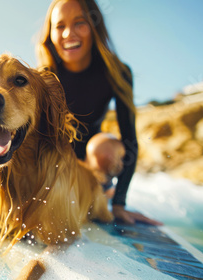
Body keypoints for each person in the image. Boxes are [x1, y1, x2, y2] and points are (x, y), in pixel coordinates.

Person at [36, 0, 162, 225]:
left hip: (95, 160)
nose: (68, 34)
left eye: (80, 23)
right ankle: (75, 188)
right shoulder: (43, 76)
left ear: (95, 26)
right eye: (60, 26)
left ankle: (103, 191)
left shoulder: (117, 72)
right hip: (57, 162)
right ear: (50, 33)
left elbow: (130, 140)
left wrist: (120, 204)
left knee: (103, 149)